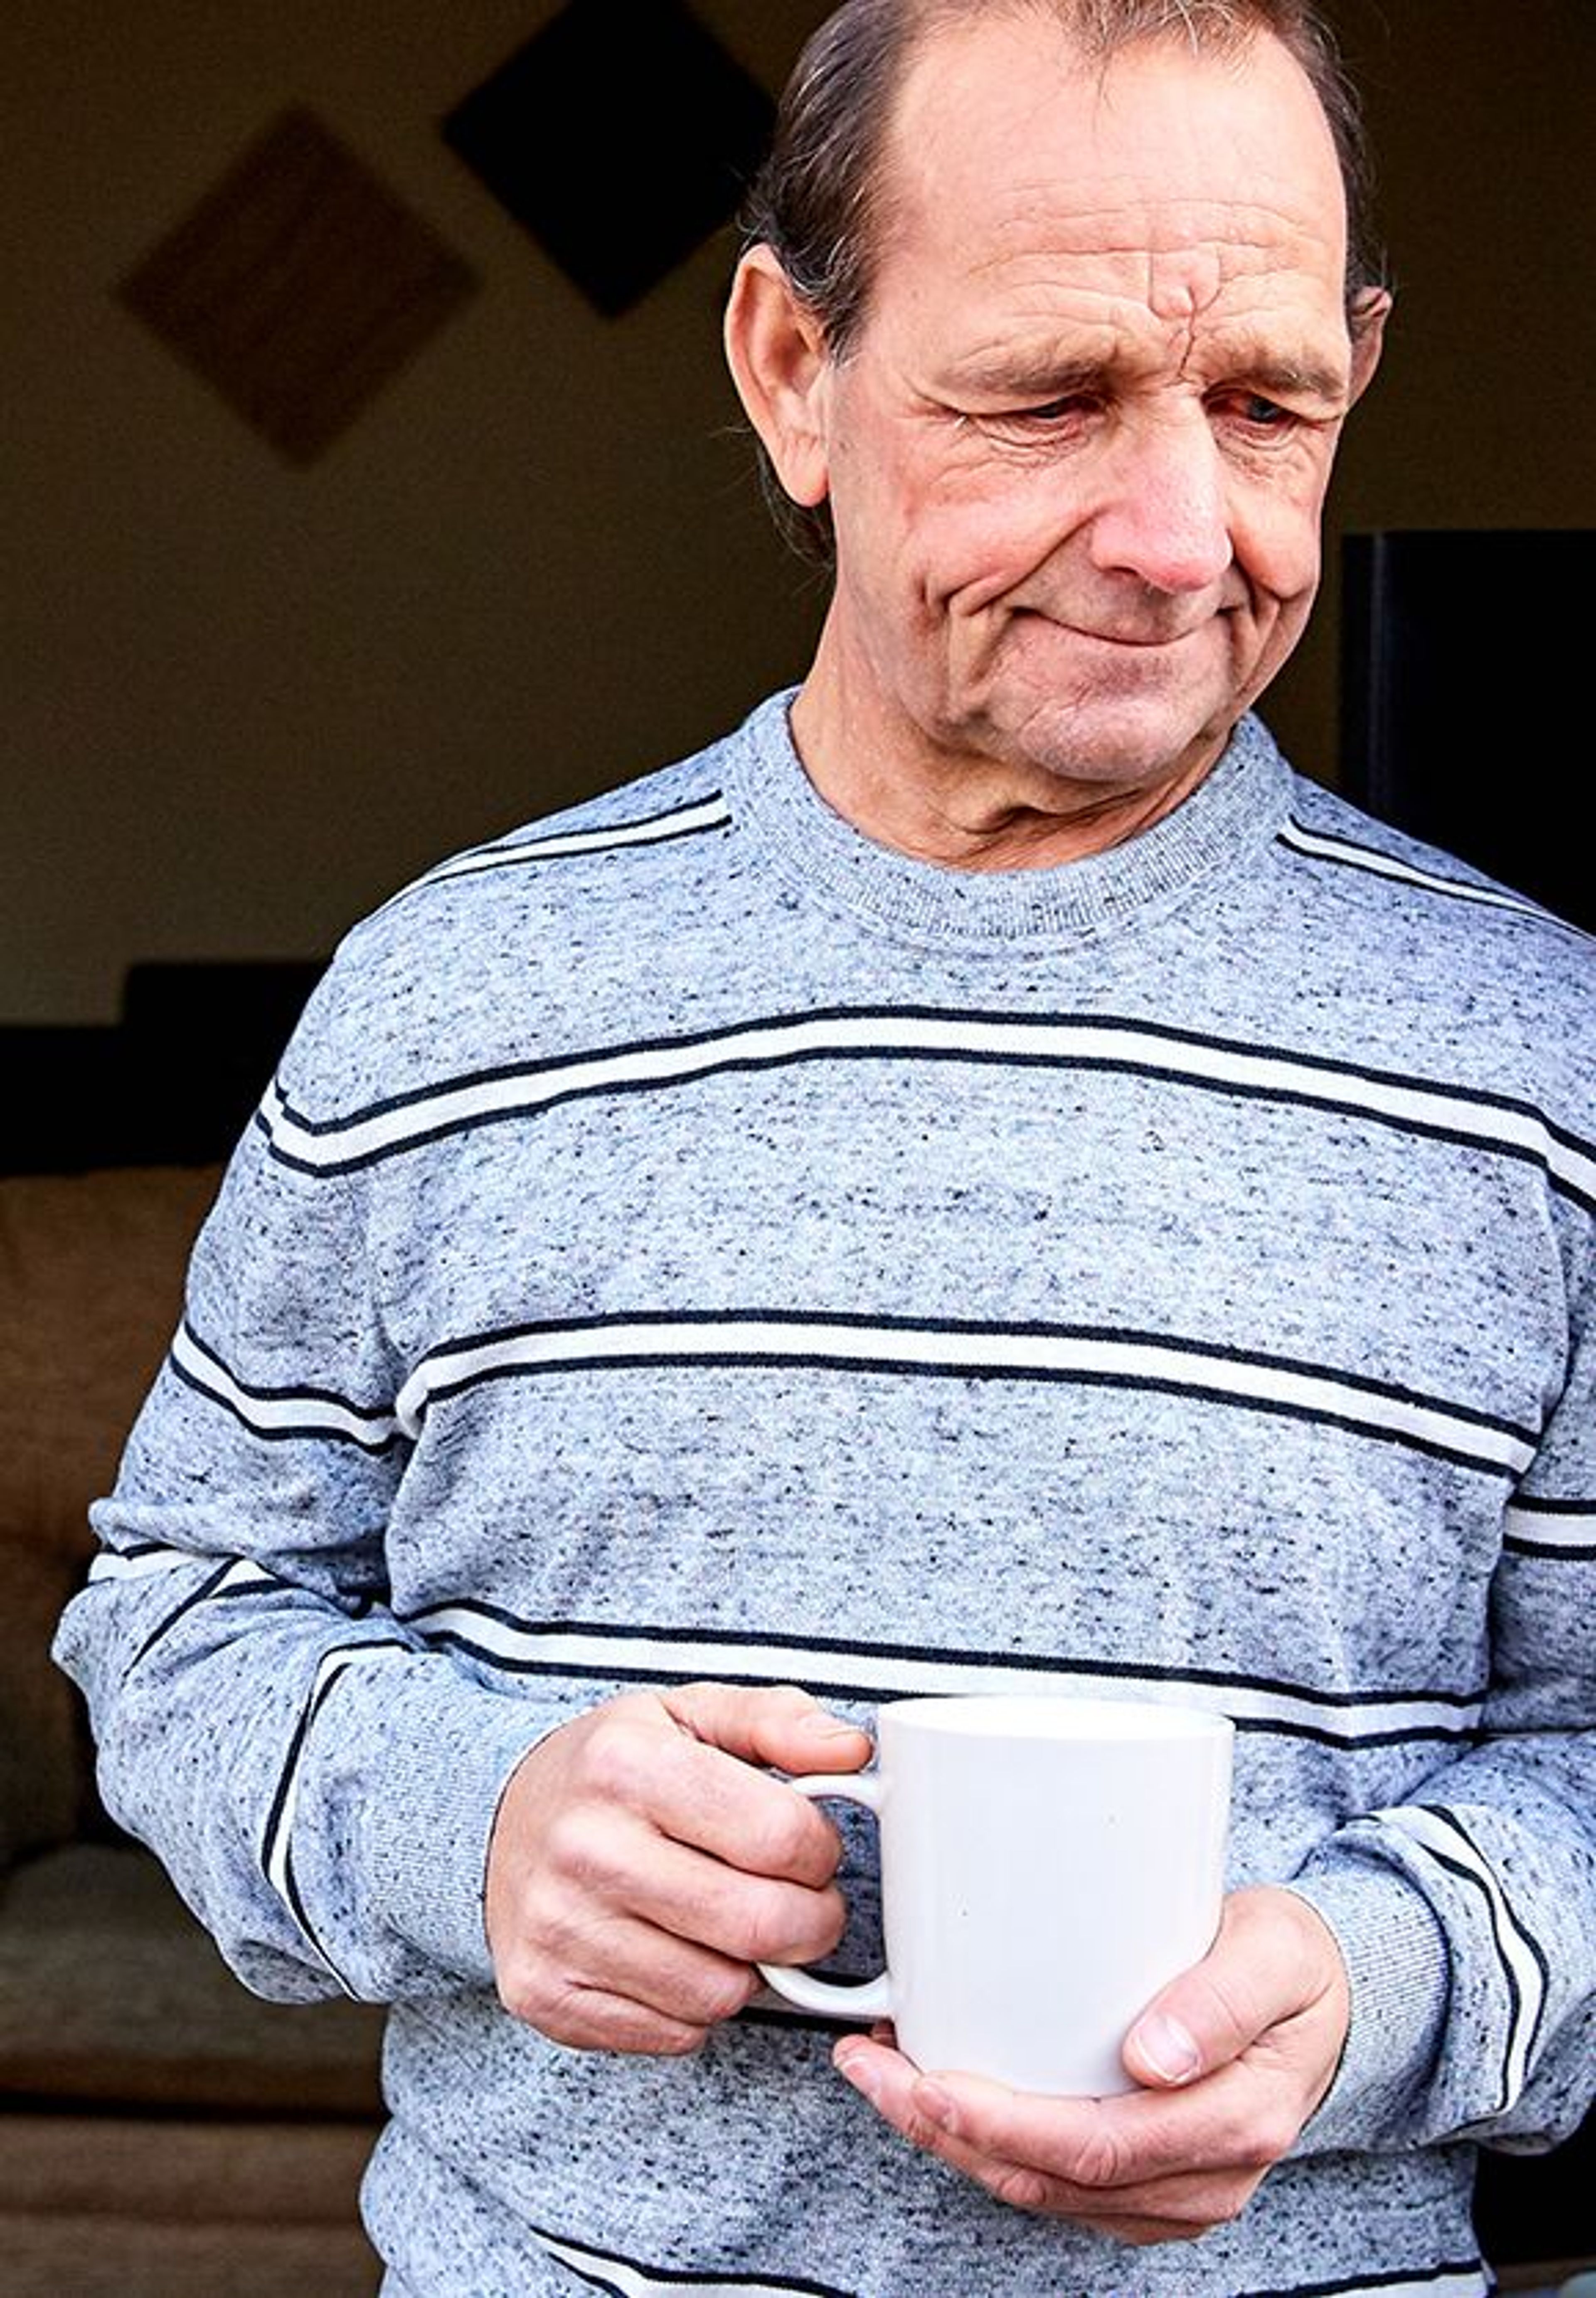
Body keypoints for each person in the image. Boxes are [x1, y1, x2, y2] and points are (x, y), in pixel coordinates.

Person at [56, 1, 1595, 2292]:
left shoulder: (1546, 1062)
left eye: (1267, 404)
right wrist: (474, 1828)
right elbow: (175, 1615)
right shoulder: (450, 1003)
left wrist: (1382, 1982)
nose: (1181, 539)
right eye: (1051, 395)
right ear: (792, 370)